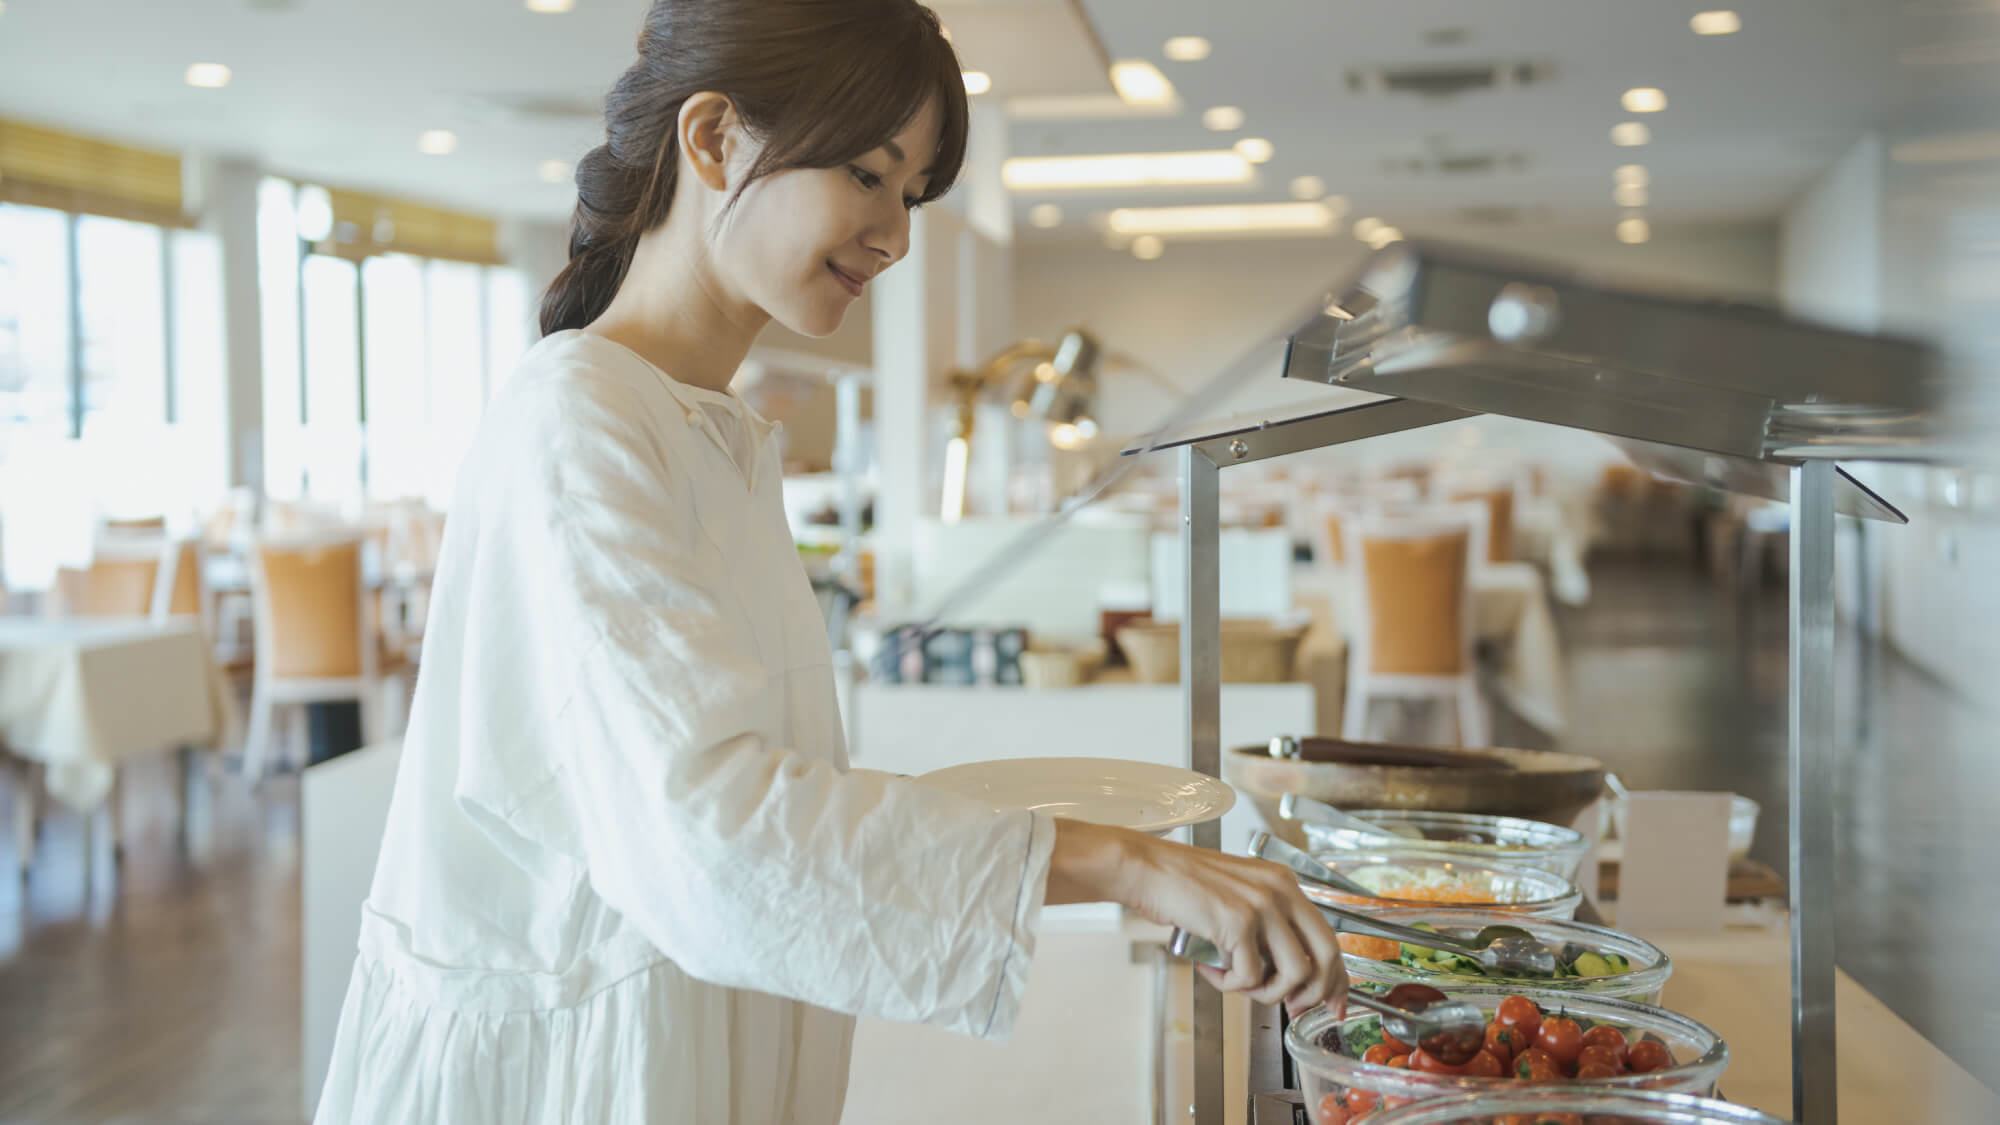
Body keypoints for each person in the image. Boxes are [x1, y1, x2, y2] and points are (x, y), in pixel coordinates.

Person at [313, 1, 1344, 1121]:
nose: (894, 235)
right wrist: (1129, 865)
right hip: (573, 1075)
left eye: (908, 194)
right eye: (865, 174)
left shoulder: (708, 426)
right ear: (712, 140)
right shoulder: (581, 419)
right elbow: (714, 836)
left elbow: (753, 791)